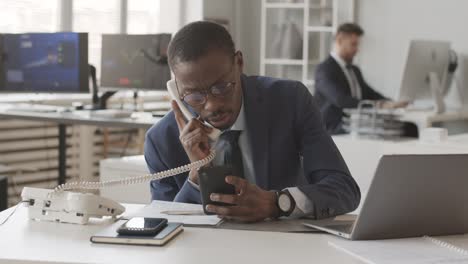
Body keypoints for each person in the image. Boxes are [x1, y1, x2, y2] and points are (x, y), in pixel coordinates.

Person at [144, 21, 360, 223]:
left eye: (221, 87)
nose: (211, 106)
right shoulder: (161, 140)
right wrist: (196, 176)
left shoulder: (289, 100)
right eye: (194, 96)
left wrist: (278, 203)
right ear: (177, 88)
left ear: (239, 63)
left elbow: (344, 190)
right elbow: (165, 225)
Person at [314, 23, 408, 134]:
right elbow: (340, 100)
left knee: (403, 129)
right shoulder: (324, 69)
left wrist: (391, 103)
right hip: (334, 129)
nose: (357, 50)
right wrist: (379, 105)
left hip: (357, 125)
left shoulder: (354, 70)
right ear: (339, 40)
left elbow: (369, 93)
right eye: (353, 44)